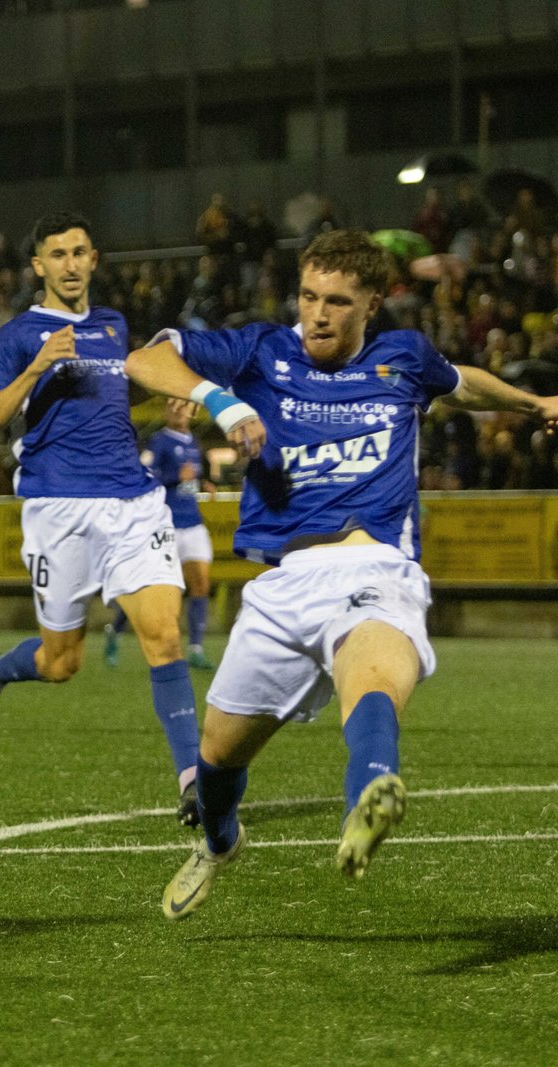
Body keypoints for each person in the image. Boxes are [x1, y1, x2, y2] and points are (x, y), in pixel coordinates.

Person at [122, 229, 558, 920]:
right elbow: (145, 359)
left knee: (375, 679)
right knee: (217, 755)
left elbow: (461, 383)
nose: (318, 313)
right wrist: (222, 402)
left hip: (375, 565)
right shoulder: (263, 349)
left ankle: (374, 792)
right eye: (308, 296)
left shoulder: (404, 356)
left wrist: (535, 404)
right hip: (284, 582)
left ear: (372, 305)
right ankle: (219, 840)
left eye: (336, 301)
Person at [0, 211, 210, 827]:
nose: (70, 264)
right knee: (61, 663)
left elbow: (117, 388)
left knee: (164, 635)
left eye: (80, 252)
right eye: (58, 254)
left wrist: (165, 392)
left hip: (132, 499)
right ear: (39, 265)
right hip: (56, 508)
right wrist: (38, 368)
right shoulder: (17, 336)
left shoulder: (114, 326)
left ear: (94, 260)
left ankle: (194, 780)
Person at [104, 398, 217, 671]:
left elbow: (188, 483)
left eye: (183, 406)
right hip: (164, 525)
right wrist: (176, 478)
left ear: (193, 411)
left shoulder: (194, 443)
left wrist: (203, 483)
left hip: (193, 523)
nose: (177, 410)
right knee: (150, 588)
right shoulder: (159, 441)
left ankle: (196, 648)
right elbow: (147, 478)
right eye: (172, 406)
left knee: (200, 583)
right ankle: (115, 629)